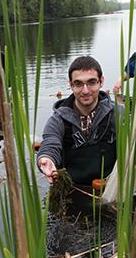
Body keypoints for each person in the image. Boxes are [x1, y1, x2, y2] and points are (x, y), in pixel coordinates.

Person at [37, 56, 118, 186]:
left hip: (112, 188)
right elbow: (50, 143)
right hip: (71, 190)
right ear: (70, 84)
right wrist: (46, 159)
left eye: (92, 82)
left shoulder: (119, 114)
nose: (85, 91)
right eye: (78, 84)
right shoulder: (57, 120)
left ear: (101, 81)